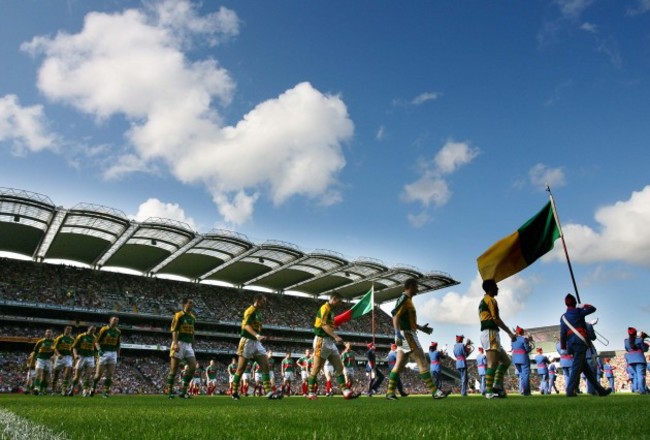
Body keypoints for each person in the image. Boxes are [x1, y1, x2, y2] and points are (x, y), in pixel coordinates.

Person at [386, 278, 450, 401]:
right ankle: (435, 392)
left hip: (407, 333)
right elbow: (395, 315)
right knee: (422, 361)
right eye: (416, 286)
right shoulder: (404, 298)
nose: (418, 289)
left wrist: (421, 328)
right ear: (410, 286)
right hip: (407, 335)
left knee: (399, 365)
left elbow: (406, 319)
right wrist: (397, 333)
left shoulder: (408, 300)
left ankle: (389, 393)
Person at [306, 292, 359, 400]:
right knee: (316, 368)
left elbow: (329, 325)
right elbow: (324, 325)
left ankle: (346, 391)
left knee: (339, 367)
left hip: (329, 342)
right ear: (334, 299)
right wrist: (335, 336)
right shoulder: (325, 308)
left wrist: (333, 336)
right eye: (339, 301)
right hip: (321, 341)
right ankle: (310, 393)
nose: (340, 304)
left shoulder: (331, 310)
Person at [230, 294, 281, 400]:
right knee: (240, 369)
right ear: (258, 300)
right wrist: (257, 335)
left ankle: (268, 392)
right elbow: (246, 326)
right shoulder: (250, 310)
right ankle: (234, 392)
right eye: (263, 301)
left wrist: (260, 336)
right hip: (247, 341)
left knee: (265, 365)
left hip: (256, 343)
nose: (265, 303)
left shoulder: (259, 313)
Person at [559, 294, 611, 397]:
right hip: (580, 342)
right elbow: (593, 309)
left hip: (571, 344)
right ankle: (570, 390)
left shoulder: (563, 317)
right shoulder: (578, 311)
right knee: (576, 367)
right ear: (574, 302)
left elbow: (563, 333)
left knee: (586, 370)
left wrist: (564, 347)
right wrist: (583, 305)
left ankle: (600, 390)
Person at [478, 279, 516, 399]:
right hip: (490, 333)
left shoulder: (484, 301)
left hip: (491, 333)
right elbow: (496, 319)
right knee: (492, 363)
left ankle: (496, 386)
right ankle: (489, 392)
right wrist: (509, 332)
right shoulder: (491, 300)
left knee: (506, 361)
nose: (497, 289)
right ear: (490, 289)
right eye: (496, 287)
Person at [166, 297, 196, 399]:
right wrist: (175, 343)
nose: (191, 305)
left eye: (192, 303)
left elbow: (192, 332)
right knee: (173, 369)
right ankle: (170, 392)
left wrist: (193, 345)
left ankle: (183, 391)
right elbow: (174, 330)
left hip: (188, 345)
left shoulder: (192, 317)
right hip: (179, 343)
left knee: (193, 367)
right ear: (184, 304)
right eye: (190, 303)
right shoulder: (178, 315)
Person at [92, 316, 121, 398]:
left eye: (117, 320)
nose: (116, 321)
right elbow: (96, 342)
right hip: (103, 352)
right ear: (110, 320)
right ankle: (93, 386)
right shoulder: (104, 329)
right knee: (98, 375)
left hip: (113, 353)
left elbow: (118, 344)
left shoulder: (118, 331)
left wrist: (118, 355)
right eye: (114, 320)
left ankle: (105, 391)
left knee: (110, 374)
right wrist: (99, 350)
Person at [70, 325, 97, 396]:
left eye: (94, 330)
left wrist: (96, 357)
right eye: (91, 329)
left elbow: (96, 348)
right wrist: (75, 355)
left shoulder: (95, 338)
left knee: (88, 375)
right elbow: (74, 347)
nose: (92, 331)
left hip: (90, 357)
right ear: (88, 328)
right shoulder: (81, 336)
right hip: (81, 357)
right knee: (77, 377)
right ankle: (71, 389)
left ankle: (85, 391)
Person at [624, 327, 649, 394]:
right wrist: (644, 342)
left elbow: (627, 349)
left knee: (637, 376)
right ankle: (642, 391)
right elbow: (645, 349)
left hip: (631, 360)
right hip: (639, 359)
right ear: (635, 333)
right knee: (641, 375)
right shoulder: (640, 339)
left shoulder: (626, 340)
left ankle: (637, 390)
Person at [52, 325, 75, 396]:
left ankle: (63, 390)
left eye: (70, 329)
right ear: (64, 329)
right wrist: (58, 354)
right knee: (56, 375)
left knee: (67, 374)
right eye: (68, 329)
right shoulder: (59, 338)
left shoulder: (72, 339)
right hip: (59, 357)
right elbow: (54, 348)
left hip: (68, 357)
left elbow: (73, 349)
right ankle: (53, 391)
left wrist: (74, 357)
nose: (69, 331)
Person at [31, 328, 55, 395]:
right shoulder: (40, 342)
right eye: (47, 332)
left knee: (45, 376)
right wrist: (32, 361)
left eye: (50, 332)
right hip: (40, 359)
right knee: (38, 374)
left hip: (48, 360)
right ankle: (36, 388)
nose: (49, 333)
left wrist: (54, 356)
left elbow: (56, 351)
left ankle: (42, 390)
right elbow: (35, 352)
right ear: (45, 333)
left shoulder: (54, 342)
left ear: (52, 334)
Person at [511, 326, 532, 396]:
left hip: (515, 359)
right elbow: (527, 349)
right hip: (523, 358)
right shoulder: (524, 339)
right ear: (522, 332)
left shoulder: (513, 340)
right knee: (525, 375)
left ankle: (522, 391)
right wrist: (530, 347)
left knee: (522, 375)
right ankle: (526, 392)